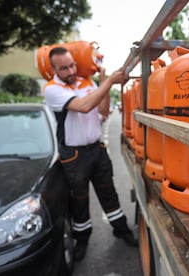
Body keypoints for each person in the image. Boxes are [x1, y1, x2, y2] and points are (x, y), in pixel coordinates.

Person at [43, 46, 138, 262]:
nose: (70, 71)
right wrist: (108, 82)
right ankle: (82, 239)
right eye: (64, 68)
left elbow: (103, 110)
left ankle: (121, 230)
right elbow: (85, 106)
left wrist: (103, 79)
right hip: (74, 155)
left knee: (109, 193)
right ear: (54, 69)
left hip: (96, 149)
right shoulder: (52, 90)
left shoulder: (87, 83)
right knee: (79, 200)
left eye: (72, 65)